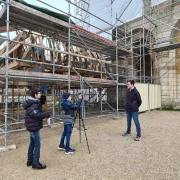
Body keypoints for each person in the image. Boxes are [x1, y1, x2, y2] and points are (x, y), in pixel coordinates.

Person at [23, 88, 50, 170]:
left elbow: (35, 114)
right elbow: (36, 114)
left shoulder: (32, 102)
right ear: (35, 95)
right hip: (34, 127)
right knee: (37, 144)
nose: (40, 94)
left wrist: (43, 115)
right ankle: (35, 163)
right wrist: (46, 114)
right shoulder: (34, 103)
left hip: (32, 125)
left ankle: (30, 160)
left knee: (32, 143)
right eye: (39, 93)